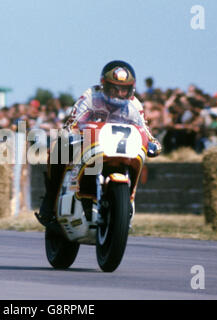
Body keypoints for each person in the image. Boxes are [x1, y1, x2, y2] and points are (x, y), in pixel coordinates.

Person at [35, 60, 162, 227]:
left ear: (132, 89)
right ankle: (50, 200)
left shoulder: (134, 105)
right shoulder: (91, 97)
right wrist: (73, 134)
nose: (119, 93)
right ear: (103, 85)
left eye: (124, 89)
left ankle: (126, 201)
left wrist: (153, 144)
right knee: (59, 146)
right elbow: (73, 123)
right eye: (114, 88)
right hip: (91, 147)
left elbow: (145, 131)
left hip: (120, 151)